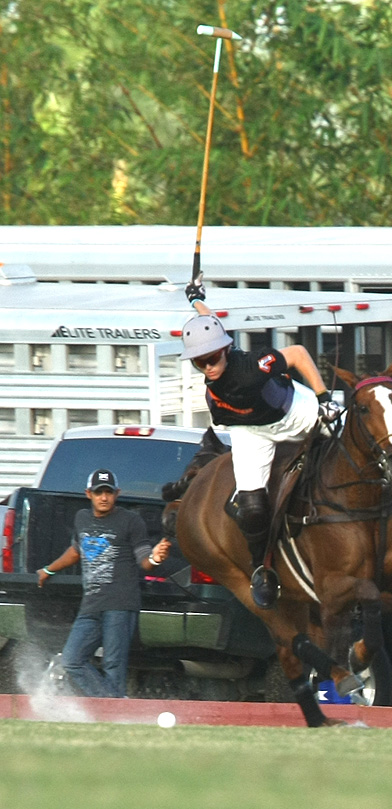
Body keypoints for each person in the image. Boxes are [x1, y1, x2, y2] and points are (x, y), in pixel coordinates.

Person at [180, 279, 341, 609]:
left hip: (291, 412)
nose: (208, 366)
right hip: (249, 431)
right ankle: (261, 570)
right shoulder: (216, 349)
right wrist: (196, 299)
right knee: (252, 510)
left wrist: (325, 399)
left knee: (350, 433)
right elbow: (210, 323)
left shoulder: (252, 367)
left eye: (212, 358)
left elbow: (297, 354)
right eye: (200, 362)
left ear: (225, 350)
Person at [37, 468, 171, 698]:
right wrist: (49, 569)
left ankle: (112, 710)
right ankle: (115, 704)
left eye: (109, 492)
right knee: (72, 660)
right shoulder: (82, 518)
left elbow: (144, 559)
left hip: (120, 603)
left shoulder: (130, 520)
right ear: (88, 494)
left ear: (117, 494)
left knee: (113, 664)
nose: (104, 498)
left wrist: (154, 558)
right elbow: (76, 551)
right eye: (99, 492)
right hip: (90, 606)